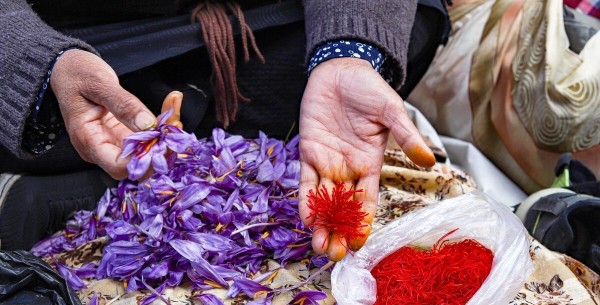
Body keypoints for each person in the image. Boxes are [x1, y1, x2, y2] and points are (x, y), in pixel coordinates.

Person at [0, 0, 449, 258]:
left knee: (411, 18)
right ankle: (125, 151)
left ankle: (118, 172)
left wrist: (345, 53)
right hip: (81, 34)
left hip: (252, 21)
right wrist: (43, 63)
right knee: (31, 95)